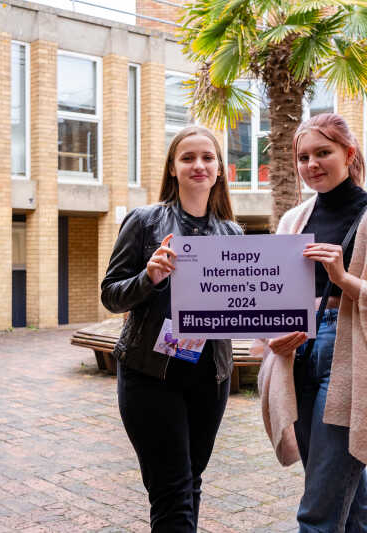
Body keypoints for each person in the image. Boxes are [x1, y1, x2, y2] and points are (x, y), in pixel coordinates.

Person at [254, 113, 367, 533]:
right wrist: (273, 334)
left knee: (319, 509)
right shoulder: (292, 220)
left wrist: (345, 280)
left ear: (349, 154)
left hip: (348, 359)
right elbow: (271, 293)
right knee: (343, 494)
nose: (312, 164)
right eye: (303, 156)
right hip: (299, 354)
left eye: (323, 152)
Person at [100, 125, 242, 532]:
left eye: (207, 158)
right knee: (172, 493)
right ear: (173, 168)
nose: (198, 165)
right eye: (188, 158)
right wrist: (149, 277)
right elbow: (111, 295)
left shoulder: (231, 233)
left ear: (219, 170)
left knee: (190, 485)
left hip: (209, 379)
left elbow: (239, 303)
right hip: (151, 377)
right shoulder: (145, 222)